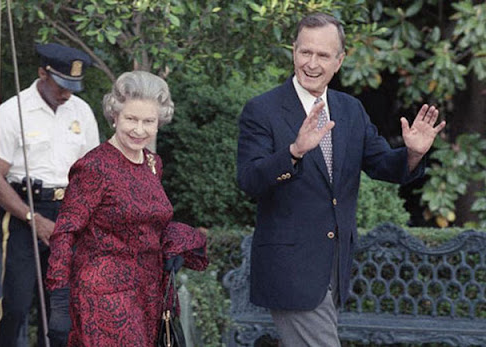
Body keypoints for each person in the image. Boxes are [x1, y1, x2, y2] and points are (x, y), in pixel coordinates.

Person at [236, 13, 446, 346]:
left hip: (335, 268)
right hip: (291, 270)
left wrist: (413, 154)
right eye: (306, 52)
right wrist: (293, 152)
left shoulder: (350, 110)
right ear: (293, 51)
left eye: (323, 55)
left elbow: (381, 165)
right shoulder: (262, 110)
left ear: (340, 60)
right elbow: (249, 179)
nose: (312, 63)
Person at [45, 70, 208, 346]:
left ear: (159, 122)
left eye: (148, 121)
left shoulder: (153, 163)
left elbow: (151, 219)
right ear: (115, 116)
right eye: (131, 119)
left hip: (148, 293)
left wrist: (175, 245)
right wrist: (59, 300)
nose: (139, 129)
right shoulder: (94, 167)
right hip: (104, 295)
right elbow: (65, 232)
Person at [0, 43, 100, 347]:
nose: (66, 93)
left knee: (63, 314)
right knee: (14, 307)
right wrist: (34, 219)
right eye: (61, 84)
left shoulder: (81, 111)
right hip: (24, 212)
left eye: (73, 86)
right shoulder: (12, 111)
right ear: (41, 74)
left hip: (69, 214)